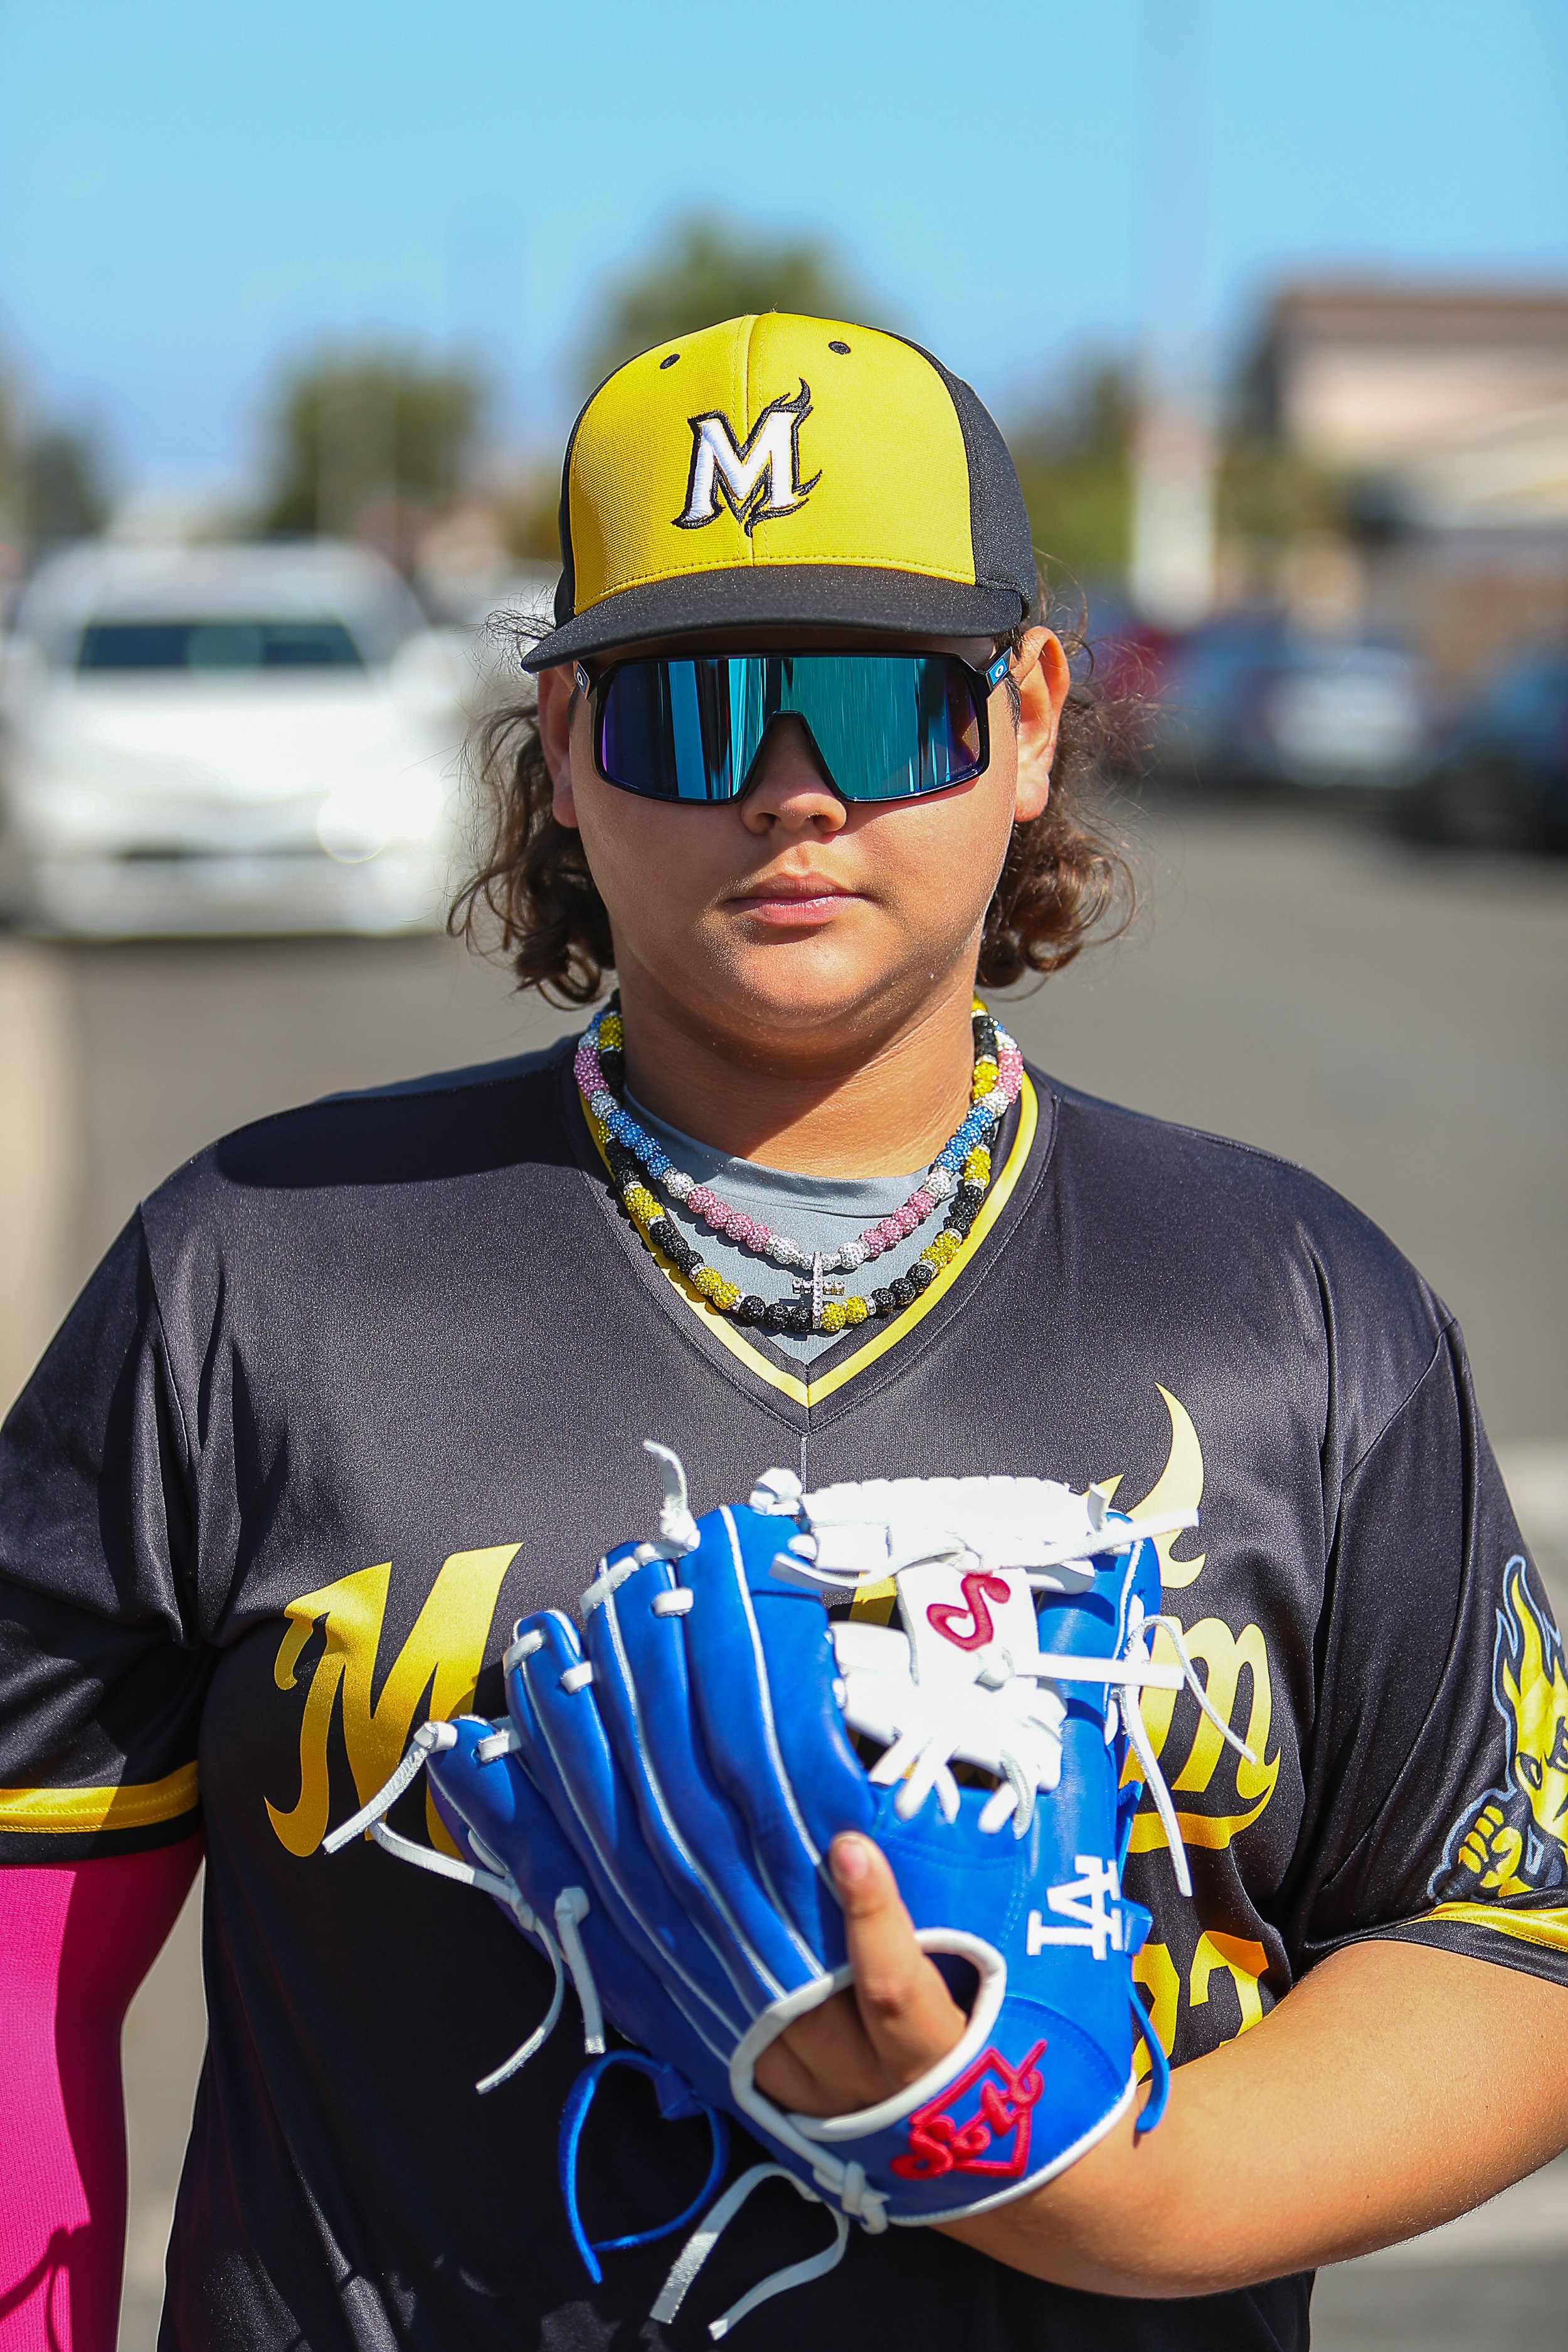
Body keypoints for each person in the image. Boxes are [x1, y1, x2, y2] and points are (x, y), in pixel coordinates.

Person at [2, 310, 1566, 2352]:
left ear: (1022, 723)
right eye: (697, 707)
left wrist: (1078, 2183)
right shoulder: (253, 1277)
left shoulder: (1297, 1306)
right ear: (559, 750)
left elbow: (1501, 1935)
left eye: (873, 701)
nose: (789, 793)